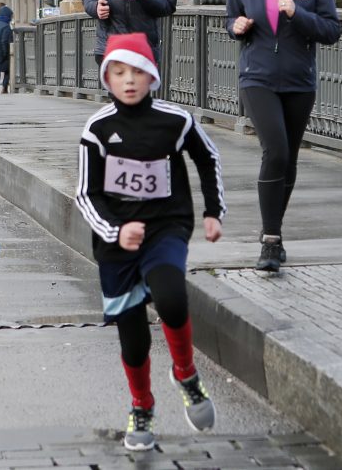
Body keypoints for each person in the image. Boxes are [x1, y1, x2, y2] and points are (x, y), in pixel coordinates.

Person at [75, 32, 226, 451]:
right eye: (118, 72)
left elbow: (207, 158)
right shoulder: (98, 129)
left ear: (152, 76)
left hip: (166, 227)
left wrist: (214, 211)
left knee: (172, 297)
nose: (128, 80)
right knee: (134, 337)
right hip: (115, 242)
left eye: (137, 71)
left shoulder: (175, 121)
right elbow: (85, 194)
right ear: (107, 78)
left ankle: (186, 373)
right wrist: (116, 231)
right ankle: (141, 405)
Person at [226, 0, 341, 273]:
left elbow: (331, 30)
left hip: (298, 81)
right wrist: (236, 26)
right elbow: (230, 18)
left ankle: (271, 231)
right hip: (257, 77)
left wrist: (298, 14)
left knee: (288, 160)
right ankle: (271, 241)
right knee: (274, 150)